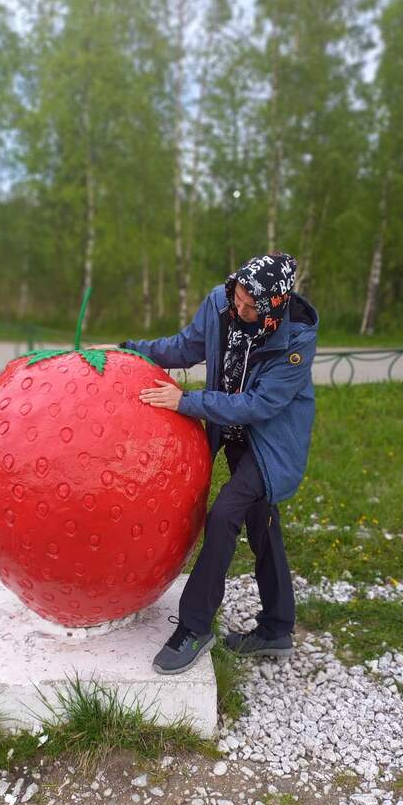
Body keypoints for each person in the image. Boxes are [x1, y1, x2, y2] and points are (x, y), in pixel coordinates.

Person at [119, 252, 318, 675]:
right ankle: (277, 628)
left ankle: (193, 627)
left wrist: (187, 403)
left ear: (277, 304)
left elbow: (262, 403)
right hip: (229, 429)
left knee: (226, 514)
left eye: (252, 308)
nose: (241, 310)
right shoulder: (220, 302)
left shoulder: (297, 338)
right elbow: (185, 346)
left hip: (269, 441)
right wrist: (131, 352)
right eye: (239, 299)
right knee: (262, 523)